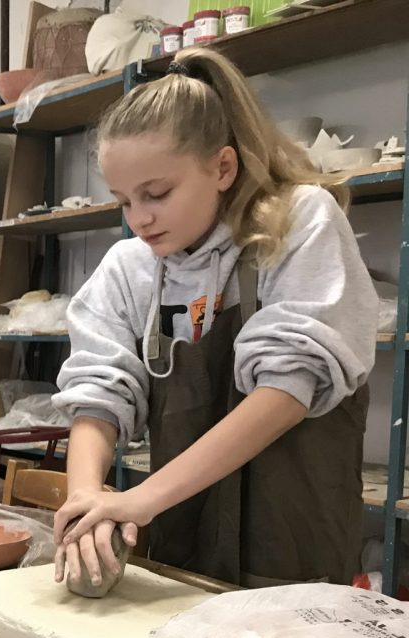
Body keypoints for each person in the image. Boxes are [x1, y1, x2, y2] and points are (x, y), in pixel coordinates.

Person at [52, 47, 376, 591]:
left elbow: (286, 389)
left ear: (222, 167)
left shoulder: (297, 223)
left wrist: (143, 497)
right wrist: (87, 495)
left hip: (292, 539)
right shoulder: (130, 267)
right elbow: (97, 388)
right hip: (185, 530)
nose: (139, 220)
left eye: (156, 194)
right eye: (124, 201)